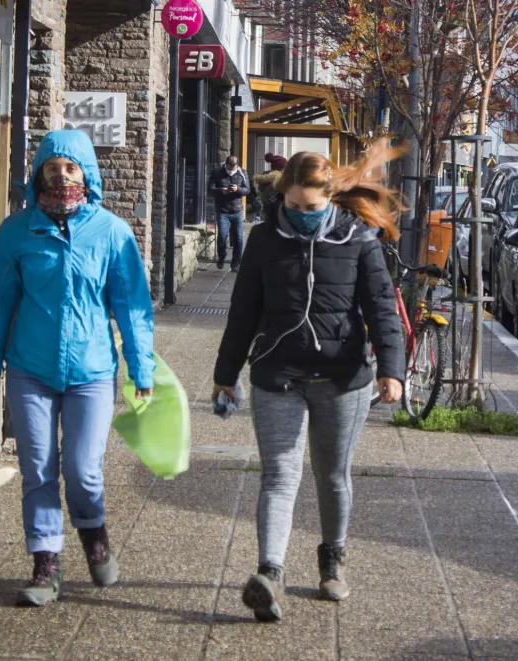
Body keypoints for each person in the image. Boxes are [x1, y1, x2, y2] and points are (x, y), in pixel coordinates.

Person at [211, 140, 406, 623]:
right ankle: (269, 574)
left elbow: (381, 307)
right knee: (279, 475)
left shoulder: (357, 238)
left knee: (331, 475)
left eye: (310, 208)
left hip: (343, 377)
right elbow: (243, 312)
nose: (300, 215)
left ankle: (332, 559)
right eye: (292, 205)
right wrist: (225, 375)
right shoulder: (263, 239)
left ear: (329, 199)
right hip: (278, 373)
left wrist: (391, 369)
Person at [0, 129, 155, 608]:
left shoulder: (112, 233)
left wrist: (142, 370)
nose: (61, 175)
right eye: (52, 168)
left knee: (81, 470)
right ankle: (45, 563)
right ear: (38, 174)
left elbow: (133, 306)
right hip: (30, 369)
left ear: (86, 174)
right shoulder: (17, 232)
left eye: (71, 168)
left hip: (91, 371)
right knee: (37, 468)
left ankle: (93, 534)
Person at [208, 155, 251, 271]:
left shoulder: (242, 173)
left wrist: (238, 190)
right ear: (226, 164)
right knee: (222, 235)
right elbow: (209, 190)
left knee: (239, 238)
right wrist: (221, 191)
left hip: (237, 210)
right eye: (230, 168)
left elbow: (247, 190)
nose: (232, 171)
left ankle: (236, 263)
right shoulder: (217, 172)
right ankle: (222, 256)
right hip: (223, 210)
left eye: (234, 168)